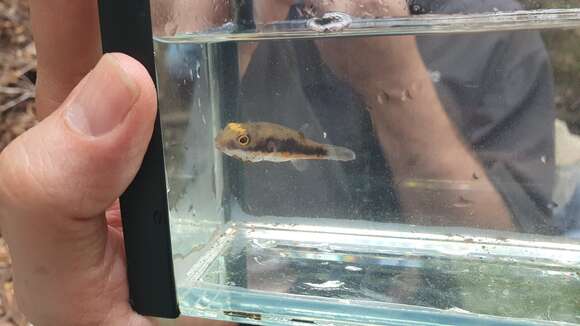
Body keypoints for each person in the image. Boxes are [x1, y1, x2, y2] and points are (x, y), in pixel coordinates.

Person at [0, 1, 559, 326]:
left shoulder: (500, 34)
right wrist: (237, 37)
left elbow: (518, 281)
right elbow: (177, 172)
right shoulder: (237, 18)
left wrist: (393, 77)